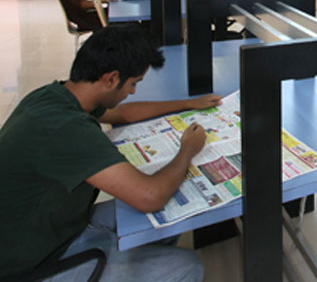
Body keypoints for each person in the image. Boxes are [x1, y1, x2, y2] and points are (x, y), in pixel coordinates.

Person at [0, 24, 221, 281]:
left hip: (57, 225)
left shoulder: (56, 96)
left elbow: (123, 113)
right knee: (187, 266)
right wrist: (187, 149)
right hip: (34, 263)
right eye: (133, 84)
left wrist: (186, 104)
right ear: (111, 79)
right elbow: (150, 197)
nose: (132, 92)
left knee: (169, 214)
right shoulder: (67, 129)